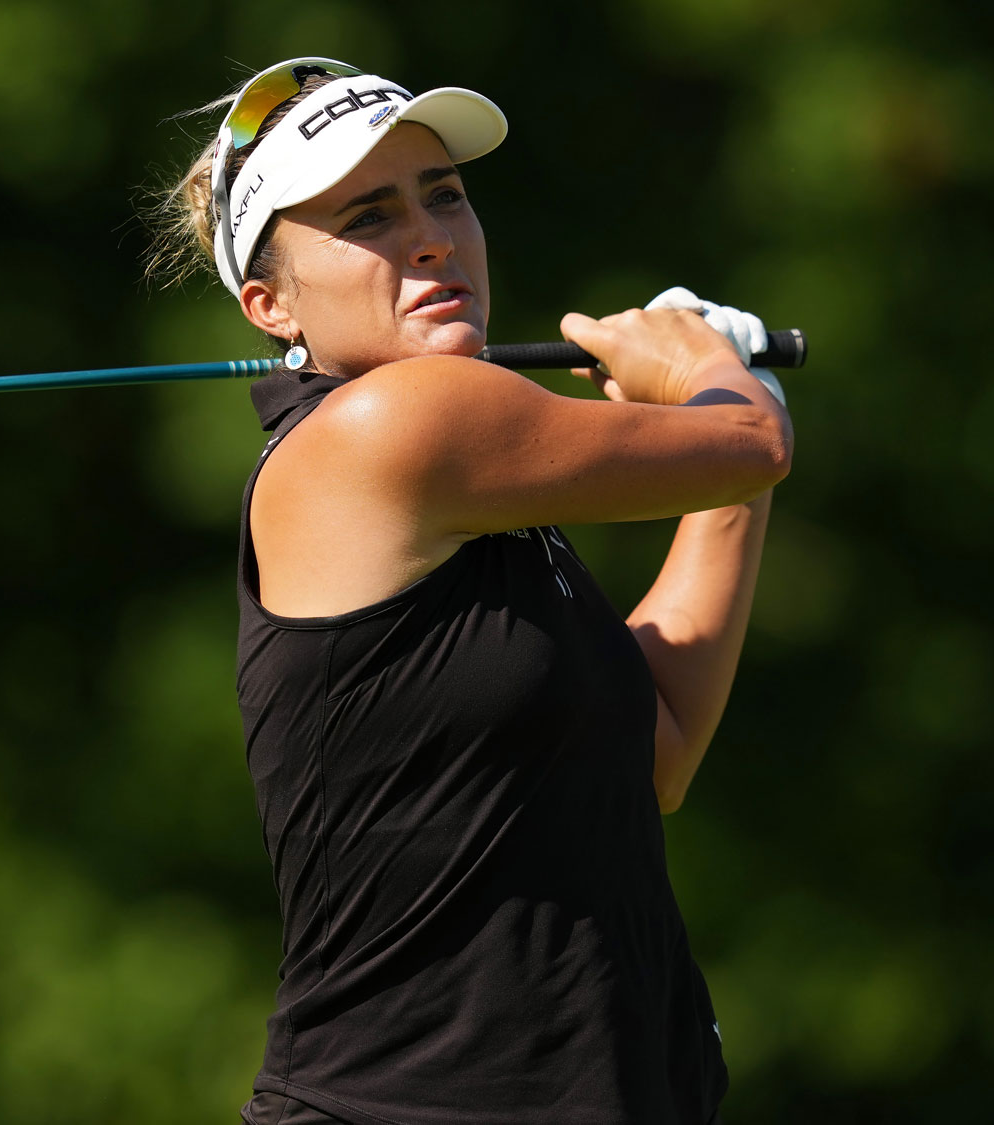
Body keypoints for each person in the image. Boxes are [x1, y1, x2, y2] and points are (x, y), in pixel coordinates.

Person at [148, 58, 793, 1125]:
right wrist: (706, 378)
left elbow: (656, 751)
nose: (432, 236)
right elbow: (749, 442)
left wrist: (728, 438)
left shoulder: (481, 510)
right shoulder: (390, 429)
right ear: (269, 306)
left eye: (441, 193)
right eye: (366, 216)